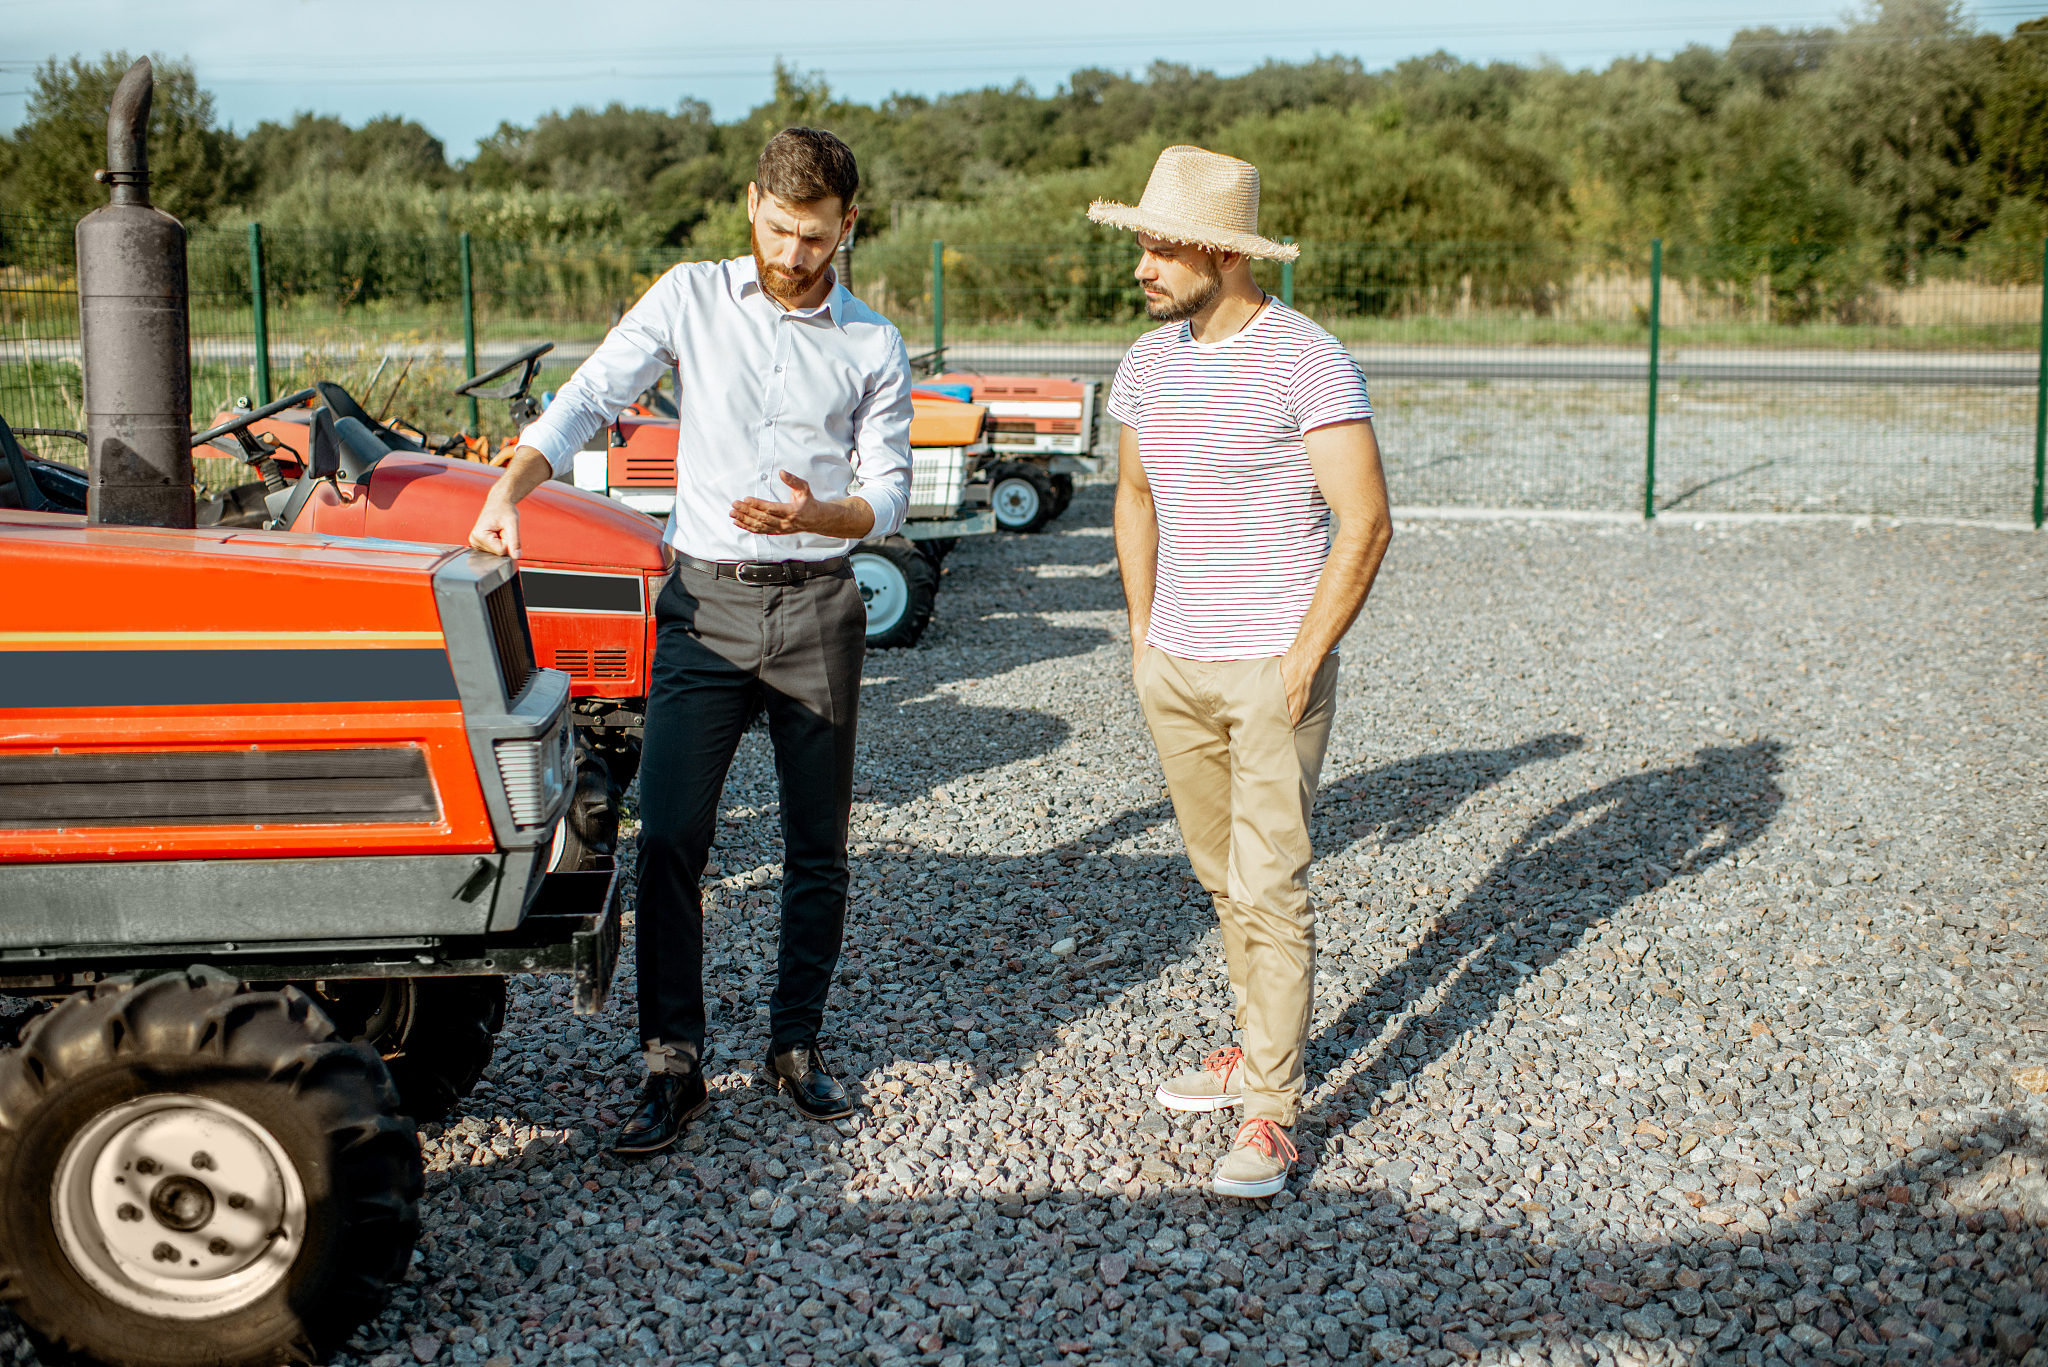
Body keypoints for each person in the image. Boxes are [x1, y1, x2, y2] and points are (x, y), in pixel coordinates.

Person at [468, 127, 914, 1155]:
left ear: (848, 225)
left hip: (818, 606)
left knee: (817, 846)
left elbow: (888, 489)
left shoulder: (871, 342)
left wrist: (828, 516)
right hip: (703, 607)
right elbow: (590, 395)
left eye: (815, 237)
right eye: (778, 228)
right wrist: (507, 489)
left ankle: (794, 1044)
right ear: (752, 203)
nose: (793, 254)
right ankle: (672, 1062)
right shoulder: (690, 295)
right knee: (668, 834)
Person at [1092, 146, 1393, 1198]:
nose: (1141, 265)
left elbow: (1365, 520)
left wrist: (1302, 659)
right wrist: (1142, 639)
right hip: (1174, 665)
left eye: (1159, 247)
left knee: (1271, 886)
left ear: (1222, 253)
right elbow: (1133, 497)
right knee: (1222, 878)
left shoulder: (1307, 360)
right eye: (1139, 243)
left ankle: (1272, 1107)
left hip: (1271, 668)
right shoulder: (1145, 362)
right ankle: (1255, 1042)